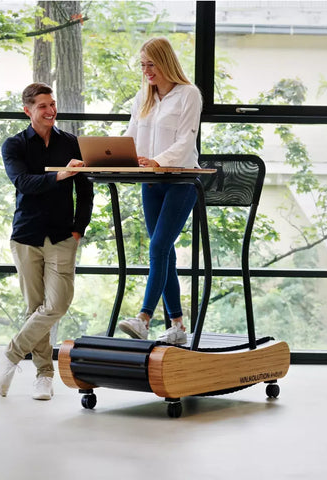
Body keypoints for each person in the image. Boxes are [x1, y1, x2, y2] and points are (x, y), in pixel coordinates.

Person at [0, 82, 94, 400]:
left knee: (57, 304)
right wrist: (60, 176)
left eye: (53, 104)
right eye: (43, 106)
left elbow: (86, 190)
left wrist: (80, 228)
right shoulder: (14, 146)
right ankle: (44, 375)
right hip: (26, 236)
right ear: (28, 111)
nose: (51, 110)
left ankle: (9, 355)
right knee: (34, 308)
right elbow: (23, 182)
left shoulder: (71, 143)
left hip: (63, 235)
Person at [118, 37, 202, 345]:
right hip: (150, 182)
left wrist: (157, 160)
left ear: (165, 62)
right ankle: (178, 326)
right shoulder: (144, 96)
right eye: (142, 65)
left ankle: (143, 318)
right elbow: (131, 134)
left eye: (151, 64)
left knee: (158, 248)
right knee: (163, 253)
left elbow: (186, 141)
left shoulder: (188, 95)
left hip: (181, 181)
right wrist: (119, 157)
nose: (146, 71)